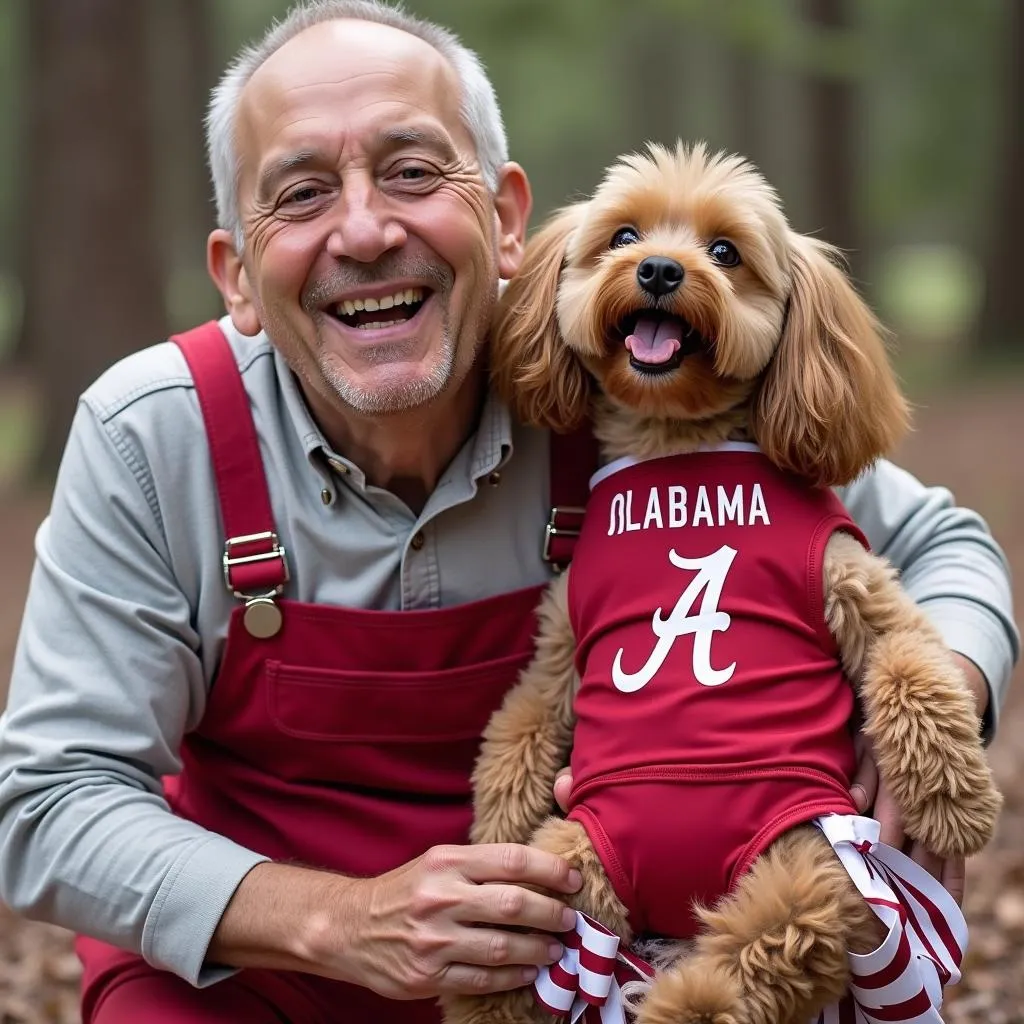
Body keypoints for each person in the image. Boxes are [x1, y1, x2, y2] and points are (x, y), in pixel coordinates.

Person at [0, 2, 1016, 1022]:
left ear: (504, 218)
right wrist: (336, 920)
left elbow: (940, 545)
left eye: (410, 172)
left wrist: (929, 710)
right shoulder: (153, 436)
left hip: (588, 973)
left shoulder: (633, 389)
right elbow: (47, 800)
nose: (364, 230)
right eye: (303, 193)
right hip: (253, 976)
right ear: (236, 276)